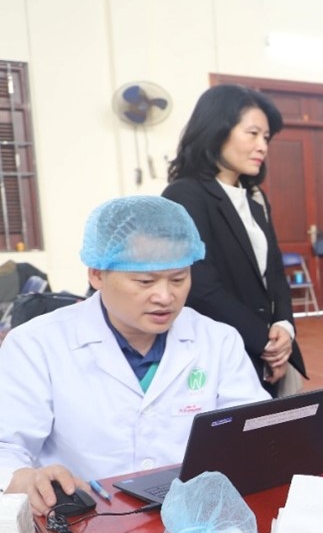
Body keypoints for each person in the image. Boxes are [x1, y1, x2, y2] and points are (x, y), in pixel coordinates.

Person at [0, 196, 267, 515]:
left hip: (192, 517)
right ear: (97, 274)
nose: (165, 296)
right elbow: (7, 445)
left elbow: (254, 429)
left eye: (178, 279)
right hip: (86, 521)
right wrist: (23, 477)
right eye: (145, 281)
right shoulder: (36, 344)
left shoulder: (218, 340)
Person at [164, 84, 306, 396]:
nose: (262, 146)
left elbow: (275, 273)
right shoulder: (185, 194)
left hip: (265, 351)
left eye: (266, 138)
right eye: (252, 134)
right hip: (218, 351)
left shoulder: (255, 197)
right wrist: (265, 342)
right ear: (216, 130)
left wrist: (284, 326)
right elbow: (201, 286)